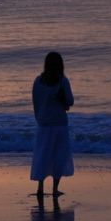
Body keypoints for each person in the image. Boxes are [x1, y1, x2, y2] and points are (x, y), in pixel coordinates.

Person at [30, 51, 74, 197]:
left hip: (43, 125)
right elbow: (70, 101)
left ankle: (40, 187)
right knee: (58, 156)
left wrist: (39, 118)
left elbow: (36, 102)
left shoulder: (38, 81)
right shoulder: (62, 81)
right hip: (59, 124)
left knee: (43, 155)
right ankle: (55, 189)